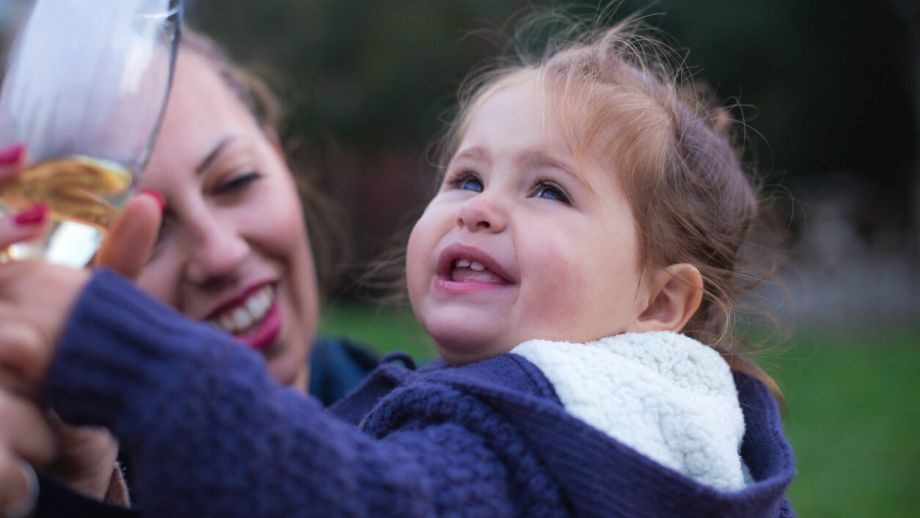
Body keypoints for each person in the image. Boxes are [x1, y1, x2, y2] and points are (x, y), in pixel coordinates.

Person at [0, 16, 796, 516]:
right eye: (467, 179)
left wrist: (128, 357)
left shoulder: (545, 428)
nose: (481, 209)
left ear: (660, 304)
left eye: (548, 190)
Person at [0, 29, 378, 515]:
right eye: (148, 231)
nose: (221, 255)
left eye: (236, 180)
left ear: (279, 157)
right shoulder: (48, 482)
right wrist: (82, 493)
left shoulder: (438, 425)